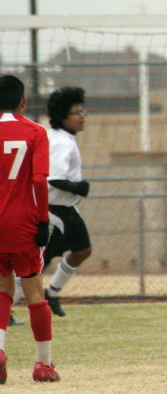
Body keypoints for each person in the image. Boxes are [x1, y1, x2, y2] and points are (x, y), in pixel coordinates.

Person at [0, 75, 61, 383]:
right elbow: (39, 181)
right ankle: (43, 364)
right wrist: (42, 220)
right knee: (35, 291)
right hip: (23, 222)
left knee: (2, 288)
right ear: (23, 100)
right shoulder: (36, 132)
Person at [42, 86, 92, 318]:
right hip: (54, 210)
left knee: (82, 249)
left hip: (67, 209)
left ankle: (52, 293)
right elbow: (54, 178)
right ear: (63, 115)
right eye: (77, 111)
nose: (83, 116)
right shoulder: (61, 141)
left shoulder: (63, 137)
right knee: (38, 264)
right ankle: (9, 306)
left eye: (83, 110)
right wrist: (78, 187)